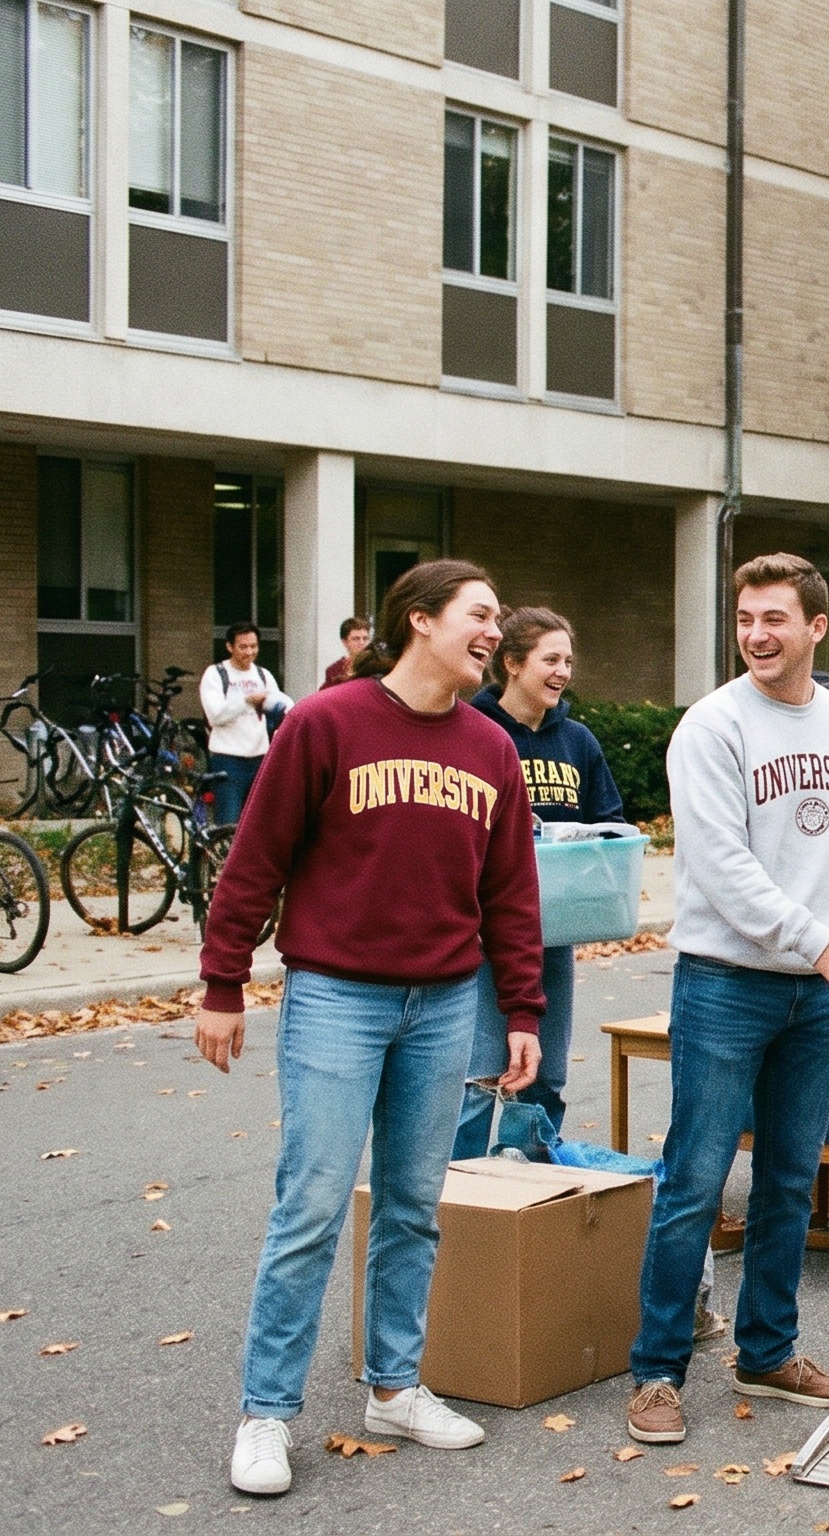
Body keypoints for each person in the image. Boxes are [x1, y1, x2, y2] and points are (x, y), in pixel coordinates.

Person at [196, 560, 546, 1498]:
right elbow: (255, 857)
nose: (495, 632)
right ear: (421, 622)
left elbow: (511, 894)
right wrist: (221, 981)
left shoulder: (490, 750)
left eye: (499, 617)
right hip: (336, 1001)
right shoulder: (324, 722)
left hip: (443, 1006)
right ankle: (266, 1413)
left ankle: (394, 1387)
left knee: (410, 1207)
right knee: (309, 1206)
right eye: (480, 615)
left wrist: (522, 1009)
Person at [626, 553, 829, 1446]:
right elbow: (721, 868)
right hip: (725, 984)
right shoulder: (712, 727)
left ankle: (768, 1349)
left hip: (815, 995)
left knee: (791, 1179)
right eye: (746, 617)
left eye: (775, 618)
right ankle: (657, 1372)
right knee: (695, 1182)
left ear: (817, 628)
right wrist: (822, 944)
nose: (756, 634)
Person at [452, 607, 626, 1157]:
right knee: (479, 1076)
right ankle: (460, 1198)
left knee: (545, 1075)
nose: (562, 671)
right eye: (550, 659)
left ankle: (529, 1190)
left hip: (554, 930)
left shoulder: (578, 741)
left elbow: (612, 823)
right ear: (511, 663)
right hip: (479, 933)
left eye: (568, 661)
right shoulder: (470, 731)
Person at [201, 623, 295, 824]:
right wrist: (247, 702)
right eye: (243, 647)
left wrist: (285, 720)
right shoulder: (216, 674)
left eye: (254, 646)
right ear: (229, 647)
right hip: (227, 760)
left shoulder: (262, 674)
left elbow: (282, 703)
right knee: (229, 823)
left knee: (260, 823)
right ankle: (224, 856)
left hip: (260, 758)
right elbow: (215, 716)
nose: (249, 652)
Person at [323, 616, 372, 690]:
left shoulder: (376, 666)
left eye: (365, 638)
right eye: (356, 639)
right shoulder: (334, 670)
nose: (362, 643)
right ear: (345, 642)